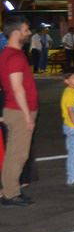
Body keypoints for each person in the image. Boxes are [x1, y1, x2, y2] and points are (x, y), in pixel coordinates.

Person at [0, 16, 37, 206]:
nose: (28, 33)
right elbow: (17, 88)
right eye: (25, 30)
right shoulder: (14, 56)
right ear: (16, 33)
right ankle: (10, 194)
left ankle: (8, 190)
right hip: (19, 111)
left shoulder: (8, 54)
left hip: (15, 109)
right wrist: (27, 116)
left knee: (14, 153)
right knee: (18, 154)